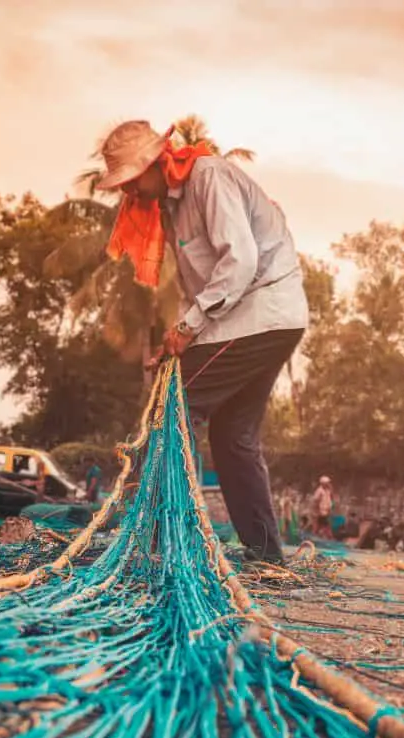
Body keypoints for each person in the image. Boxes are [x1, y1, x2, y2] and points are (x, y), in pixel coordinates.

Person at [95, 120, 309, 563]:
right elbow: (203, 291)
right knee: (234, 435)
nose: (130, 194)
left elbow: (241, 262)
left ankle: (163, 540)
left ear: (157, 163)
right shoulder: (173, 208)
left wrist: (188, 329)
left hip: (262, 313)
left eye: (133, 182)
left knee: (175, 405)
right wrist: (180, 334)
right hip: (254, 319)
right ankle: (266, 554)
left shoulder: (208, 177)